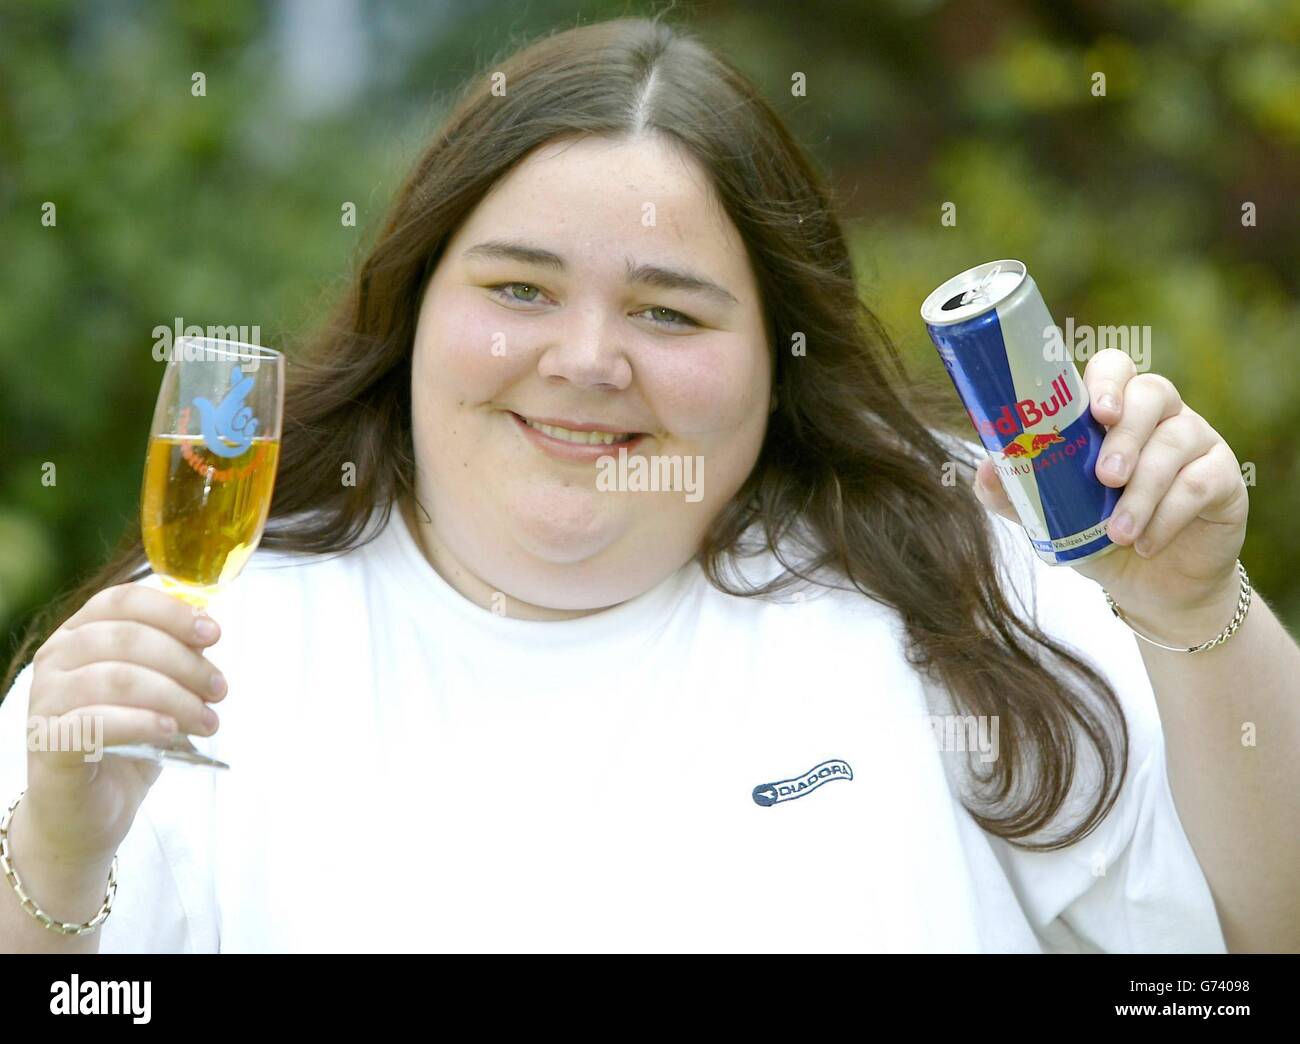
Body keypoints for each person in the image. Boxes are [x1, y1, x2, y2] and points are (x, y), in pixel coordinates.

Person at [2, 15, 1297, 954]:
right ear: (413, 312)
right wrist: (57, 854)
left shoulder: (965, 571)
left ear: (778, 358)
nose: (585, 362)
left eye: (671, 314)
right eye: (518, 289)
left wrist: (1195, 615)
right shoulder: (205, 643)